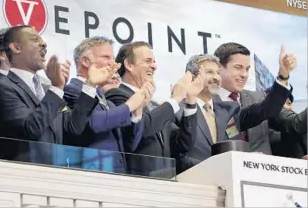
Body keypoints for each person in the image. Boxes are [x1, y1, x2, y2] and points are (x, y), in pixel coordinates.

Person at [0, 26, 108, 163]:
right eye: (34, 39)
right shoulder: (1, 86)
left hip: (57, 175)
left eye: (42, 39)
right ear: (16, 48)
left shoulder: (46, 87)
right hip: (25, 176)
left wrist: (90, 85)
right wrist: (56, 87)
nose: (43, 43)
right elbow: (30, 130)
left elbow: (73, 128)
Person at [178, 52, 295, 171]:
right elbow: (181, 152)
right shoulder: (178, 112)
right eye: (209, 72)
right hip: (194, 181)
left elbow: (266, 109)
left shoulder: (230, 111)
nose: (216, 77)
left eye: (218, 73)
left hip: (230, 182)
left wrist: (283, 76)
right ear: (192, 77)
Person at [106, 41, 203, 176]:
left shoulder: (156, 105)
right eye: (148, 61)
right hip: (136, 181)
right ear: (129, 65)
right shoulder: (116, 95)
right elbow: (142, 129)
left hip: (165, 181)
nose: (154, 66)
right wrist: (175, 99)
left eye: (154, 61)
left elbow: (183, 144)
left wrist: (191, 101)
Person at [64, 36, 147, 173]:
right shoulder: (71, 89)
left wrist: (137, 113)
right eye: (106, 57)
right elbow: (93, 122)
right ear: (85, 61)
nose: (113, 64)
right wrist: (129, 106)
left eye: (113, 58)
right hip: (92, 174)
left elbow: (129, 145)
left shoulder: (107, 101)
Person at [215, 42, 297, 154]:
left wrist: (283, 75)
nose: (244, 74)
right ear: (218, 68)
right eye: (238, 68)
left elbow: (292, 122)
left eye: (247, 69)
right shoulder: (206, 103)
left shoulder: (260, 98)